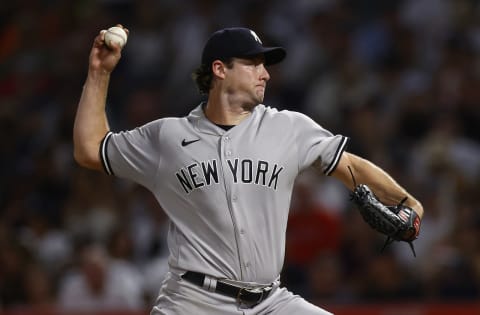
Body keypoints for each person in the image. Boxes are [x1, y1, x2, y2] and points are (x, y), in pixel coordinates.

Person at [73, 25, 424, 315]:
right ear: (219, 69)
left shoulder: (288, 127)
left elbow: (350, 165)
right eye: (254, 63)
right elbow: (91, 149)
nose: (266, 73)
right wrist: (99, 73)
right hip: (193, 302)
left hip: (271, 302)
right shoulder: (168, 136)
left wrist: (409, 203)